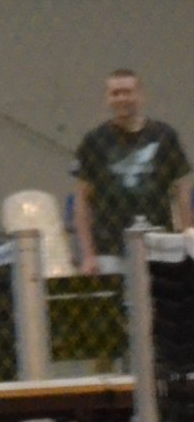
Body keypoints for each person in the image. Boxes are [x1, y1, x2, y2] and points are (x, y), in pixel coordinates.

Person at [71, 67, 193, 273]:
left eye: (127, 92)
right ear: (107, 99)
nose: (121, 98)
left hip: (159, 246)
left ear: (140, 95)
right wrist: (88, 255)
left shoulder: (164, 136)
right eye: (115, 93)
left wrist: (188, 240)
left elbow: (182, 192)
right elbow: (82, 202)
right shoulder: (94, 141)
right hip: (109, 251)